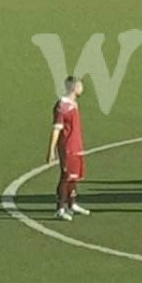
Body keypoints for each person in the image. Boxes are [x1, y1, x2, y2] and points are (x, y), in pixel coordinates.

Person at [46, 76, 89, 222]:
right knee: (66, 176)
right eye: (80, 86)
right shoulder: (62, 106)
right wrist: (51, 150)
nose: (82, 89)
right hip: (68, 147)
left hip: (76, 146)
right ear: (74, 88)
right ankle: (60, 208)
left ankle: (72, 204)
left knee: (74, 176)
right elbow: (56, 129)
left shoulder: (73, 104)